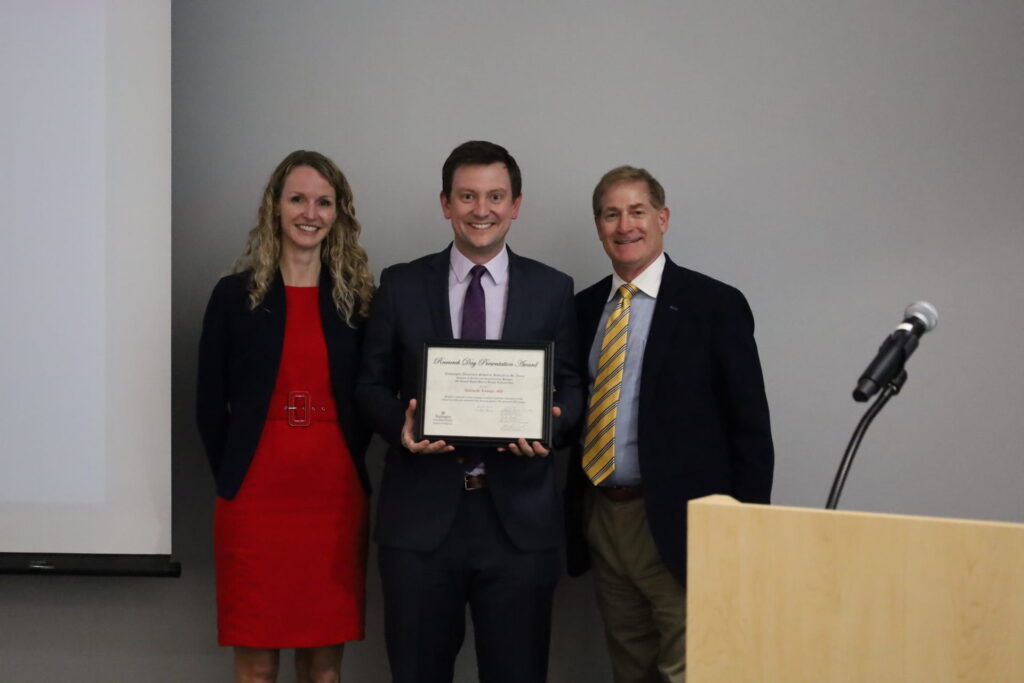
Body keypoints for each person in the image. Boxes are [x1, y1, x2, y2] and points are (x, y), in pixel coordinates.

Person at [356, 140, 583, 683]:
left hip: (519, 523)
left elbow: (574, 387)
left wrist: (551, 426)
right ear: (445, 204)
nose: (482, 209)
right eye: (467, 196)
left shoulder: (553, 290)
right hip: (420, 522)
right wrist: (400, 428)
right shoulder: (401, 284)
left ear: (516, 205)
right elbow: (368, 384)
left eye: (495, 196)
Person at [565, 166, 774, 683]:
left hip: (685, 524)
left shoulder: (715, 305)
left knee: (691, 670)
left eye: (637, 211)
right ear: (597, 226)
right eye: (611, 214)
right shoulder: (581, 308)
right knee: (630, 666)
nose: (625, 225)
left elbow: (750, 429)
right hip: (604, 517)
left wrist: (743, 533)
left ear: (662, 218)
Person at [196, 150, 375, 683]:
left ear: (339, 213)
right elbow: (209, 406)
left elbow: (373, 397)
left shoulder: (359, 301)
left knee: (323, 665)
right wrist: (232, 478)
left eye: (324, 202)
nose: (310, 213)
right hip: (253, 498)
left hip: (334, 498)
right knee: (255, 663)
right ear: (275, 206)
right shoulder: (233, 297)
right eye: (298, 199)